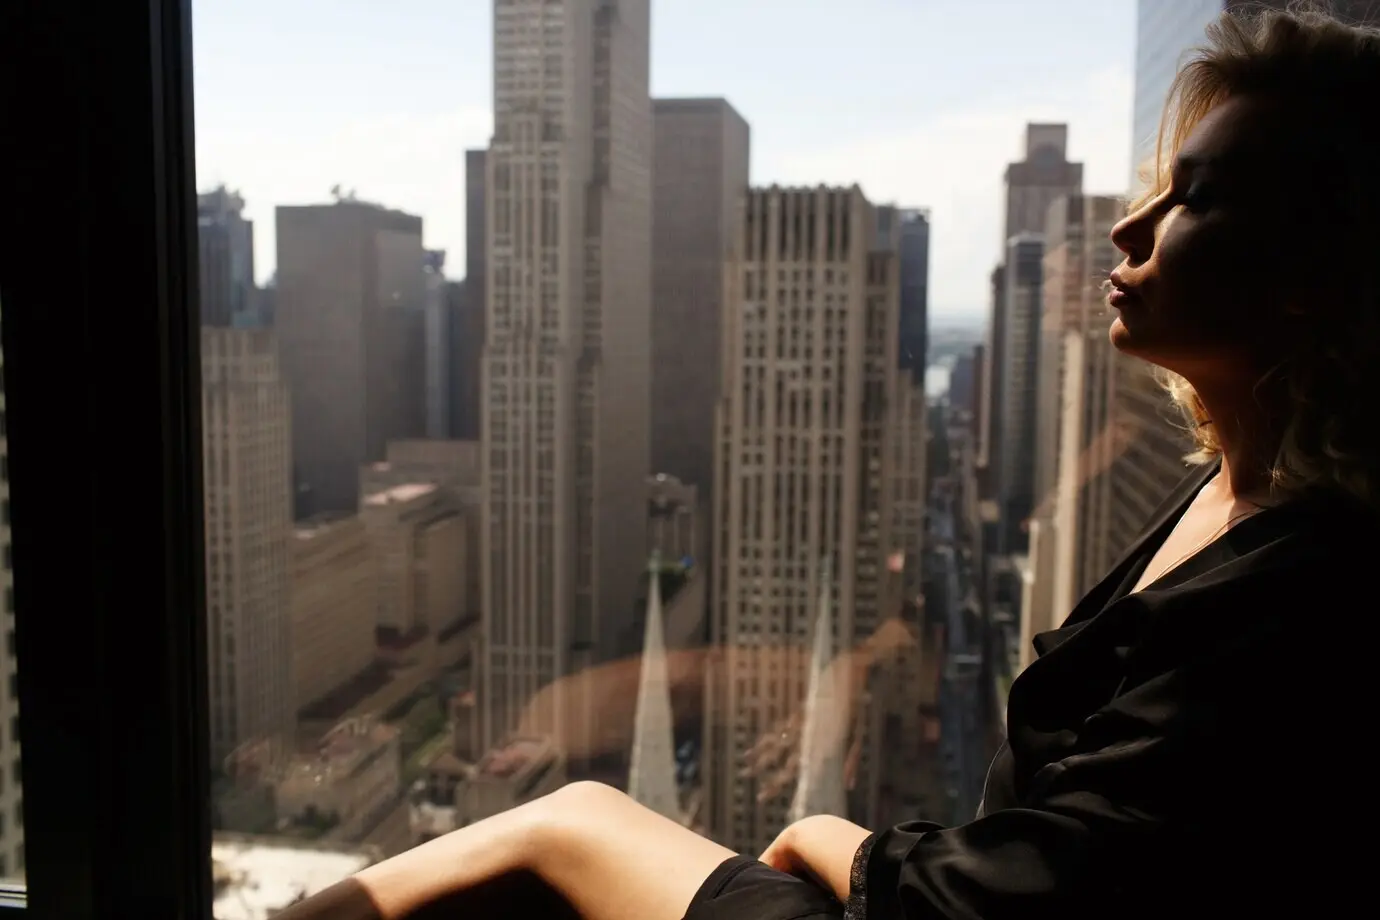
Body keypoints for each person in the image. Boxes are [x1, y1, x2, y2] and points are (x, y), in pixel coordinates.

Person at [279, 6, 1380, 919]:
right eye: (1159, 187)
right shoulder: (1232, 495)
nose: (1131, 227)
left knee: (568, 823)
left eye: (1197, 197)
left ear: (1312, 270)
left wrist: (837, 841)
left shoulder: (1307, 583)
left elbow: (1069, 875)